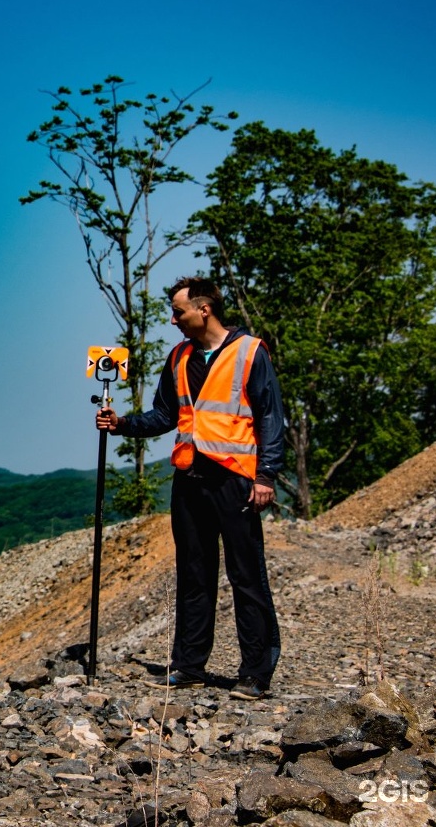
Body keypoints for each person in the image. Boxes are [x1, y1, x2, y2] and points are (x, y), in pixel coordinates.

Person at [96, 276, 285, 701]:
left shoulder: (249, 352)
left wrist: (266, 475)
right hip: (190, 482)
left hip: (236, 479)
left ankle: (256, 672)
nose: (172, 319)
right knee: (194, 577)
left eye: (178, 311)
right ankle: (189, 665)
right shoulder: (180, 356)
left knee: (246, 577)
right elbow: (165, 414)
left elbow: (271, 418)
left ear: (204, 310)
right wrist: (123, 424)